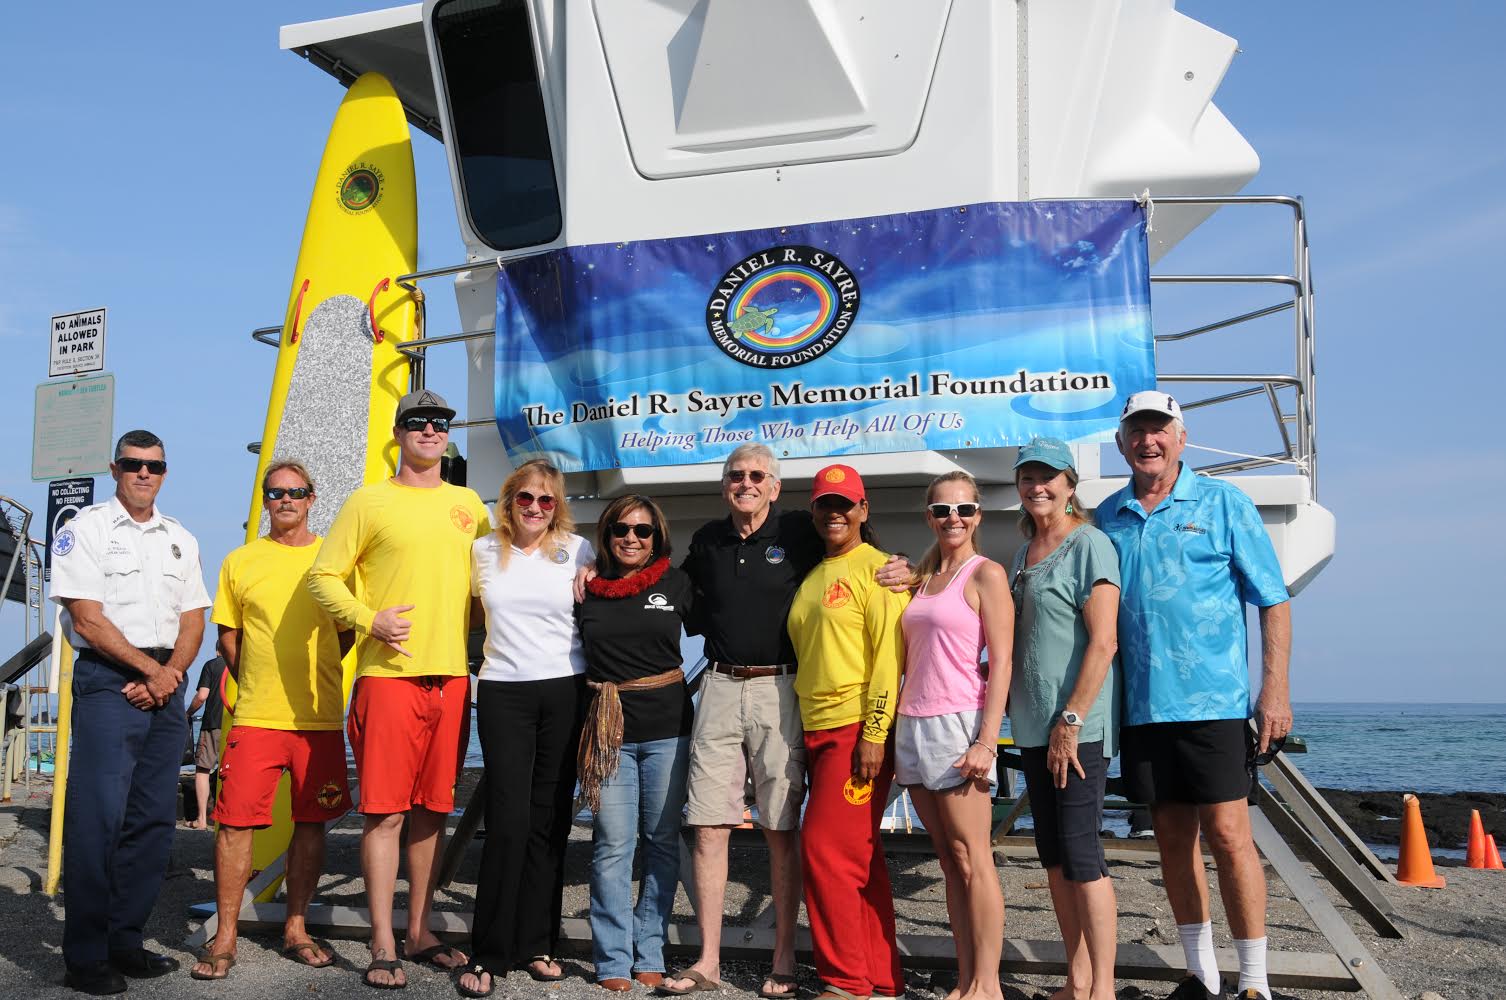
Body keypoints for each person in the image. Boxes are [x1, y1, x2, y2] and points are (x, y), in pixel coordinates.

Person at [1097, 392, 1292, 1000]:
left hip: (1215, 704)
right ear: (1123, 441)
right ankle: (1201, 977)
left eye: (1159, 430)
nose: (1147, 442)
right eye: (1136, 432)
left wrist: (1274, 690)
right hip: (1142, 707)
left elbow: (1273, 598)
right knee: (1171, 840)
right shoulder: (1108, 516)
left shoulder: (1224, 502)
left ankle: (1254, 983)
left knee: (1232, 837)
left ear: (1181, 437)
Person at [308, 390, 491, 989]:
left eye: (440, 423)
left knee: (434, 811)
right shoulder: (369, 501)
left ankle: (420, 928)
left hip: (452, 678)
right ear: (399, 433)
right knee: (384, 813)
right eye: (418, 423)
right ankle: (382, 938)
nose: (431, 431)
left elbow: (499, 578)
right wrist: (370, 619)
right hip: (388, 678)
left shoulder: (470, 506)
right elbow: (322, 577)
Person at [658, 444, 823, 999]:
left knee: (781, 826)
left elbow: (858, 552)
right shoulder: (708, 539)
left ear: (775, 487)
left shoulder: (800, 531)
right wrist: (602, 577)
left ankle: (783, 957)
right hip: (722, 685)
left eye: (757, 476)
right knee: (707, 825)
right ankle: (707, 961)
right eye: (736, 476)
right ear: (724, 485)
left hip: (782, 687)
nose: (745, 484)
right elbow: (672, 591)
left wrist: (902, 569)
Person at [50, 429, 211, 995]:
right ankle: (86, 957)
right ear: (114, 468)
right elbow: (87, 619)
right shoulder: (83, 531)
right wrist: (151, 671)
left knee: (150, 823)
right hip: (108, 682)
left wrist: (167, 676)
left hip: (165, 685)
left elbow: (194, 618)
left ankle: (125, 940)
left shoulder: (181, 538)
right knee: (97, 822)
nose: (144, 473)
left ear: (165, 472)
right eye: (133, 463)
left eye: (155, 465)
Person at [188, 460, 353, 981]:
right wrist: (257, 679)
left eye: (296, 492)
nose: (285, 500)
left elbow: (346, 631)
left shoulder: (335, 559)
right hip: (257, 717)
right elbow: (228, 637)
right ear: (265, 500)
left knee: (311, 825)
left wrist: (324, 668)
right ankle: (227, 935)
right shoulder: (240, 561)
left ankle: (297, 928)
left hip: (319, 719)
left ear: (311, 498)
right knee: (234, 826)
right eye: (275, 492)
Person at [457, 460, 595, 999]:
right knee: (508, 821)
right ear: (508, 500)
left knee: (550, 820)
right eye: (526, 499)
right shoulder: (482, 552)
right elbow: (461, 613)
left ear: (557, 507)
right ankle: (489, 951)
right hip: (503, 691)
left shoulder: (579, 551)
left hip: (566, 689)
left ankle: (539, 942)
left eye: (547, 501)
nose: (536, 508)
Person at [786, 464, 909, 1000]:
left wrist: (875, 735)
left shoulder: (880, 571)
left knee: (825, 852)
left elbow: (889, 661)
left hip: (855, 729)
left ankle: (843, 981)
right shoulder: (814, 574)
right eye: (824, 505)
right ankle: (881, 978)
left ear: (863, 509)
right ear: (813, 511)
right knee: (859, 856)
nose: (834, 513)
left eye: (845, 504)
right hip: (815, 730)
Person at [1008, 439, 1121, 1000]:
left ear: (1071, 484)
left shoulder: (1090, 545)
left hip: (1076, 728)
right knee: (1052, 856)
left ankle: (1103, 989)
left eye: (1048, 477)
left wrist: (1071, 719)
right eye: (1028, 477)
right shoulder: (1021, 554)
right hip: (1031, 727)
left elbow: (1104, 643)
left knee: (1082, 854)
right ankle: (1075, 981)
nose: (1038, 487)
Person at [894, 471, 1013, 1000]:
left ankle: (987, 985)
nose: (953, 519)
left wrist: (987, 740)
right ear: (929, 516)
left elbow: (1003, 663)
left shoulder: (985, 574)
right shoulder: (920, 577)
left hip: (957, 722)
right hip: (911, 722)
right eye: (943, 510)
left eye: (964, 509)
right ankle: (966, 979)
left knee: (974, 856)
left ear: (978, 516)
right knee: (948, 860)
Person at [575, 495, 695, 993]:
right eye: (622, 529)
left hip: (668, 729)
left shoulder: (678, 582)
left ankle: (651, 950)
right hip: (609, 735)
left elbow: (734, 616)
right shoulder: (586, 588)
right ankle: (613, 959)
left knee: (662, 842)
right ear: (606, 535)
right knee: (612, 846)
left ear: (656, 537)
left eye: (643, 531)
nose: (631, 538)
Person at [188, 654, 227, 829]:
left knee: (203, 769)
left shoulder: (212, 665)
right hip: (237, 723)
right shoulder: (244, 662)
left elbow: (202, 696)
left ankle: (202, 819)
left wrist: (187, 713)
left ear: (218, 650)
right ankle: (229, 818)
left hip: (212, 724)